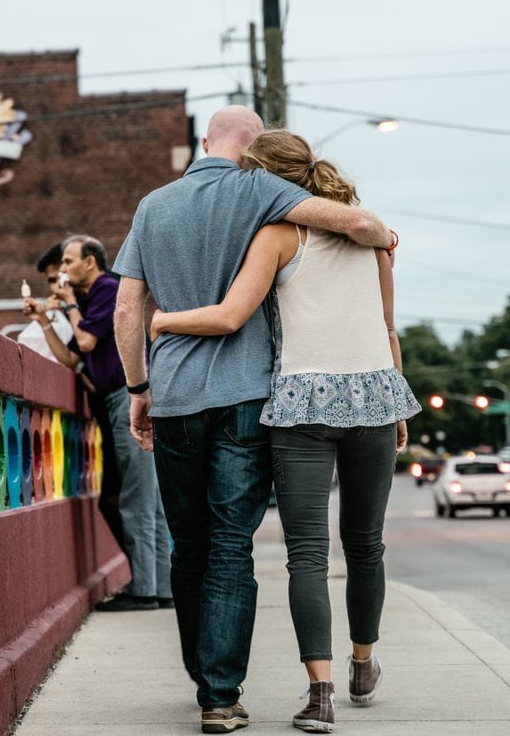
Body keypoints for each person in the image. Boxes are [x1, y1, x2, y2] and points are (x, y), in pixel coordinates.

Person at [112, 106, 395, 734]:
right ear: (253, 147)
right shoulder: (261, 189)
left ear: (204, 141)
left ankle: (204, 676)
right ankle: (220, 695)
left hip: (174, 396)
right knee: (230, 544)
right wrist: (385, 238)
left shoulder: (153, 206)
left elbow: (127, 308)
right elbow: (355, 223)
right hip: (245, 398)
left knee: (188, 544)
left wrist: (138, 388)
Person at [25, 235, 172, 611]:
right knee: (147, 498)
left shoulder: (107, 288)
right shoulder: (90, 298)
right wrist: (43, 320)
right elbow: (72, 358)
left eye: (68, 262)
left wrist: (70, 305)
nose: (63, 270)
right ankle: (161, 588)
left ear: (90, 262)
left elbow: (87, 341)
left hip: (127, 398)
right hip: (117, 400)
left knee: (137, 498)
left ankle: (145, 590)